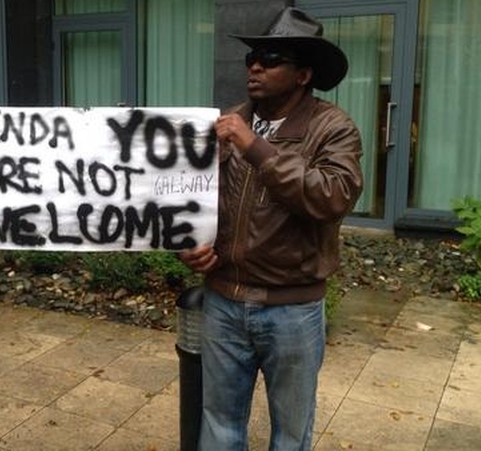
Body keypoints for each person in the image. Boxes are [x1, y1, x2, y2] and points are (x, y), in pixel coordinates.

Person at [179, 8, 363, 451]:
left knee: (290, 433)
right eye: (252, 58)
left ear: (302, 75)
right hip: (223, 300)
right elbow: (190, 197)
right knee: (219, 423)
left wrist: (256, 148)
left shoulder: (332, 128)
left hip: (292, 309)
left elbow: (332, 196)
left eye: (271, 57)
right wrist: (192, 244)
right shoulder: (226, 124)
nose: (256, 66)